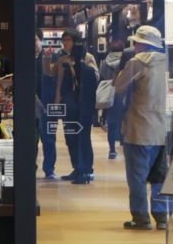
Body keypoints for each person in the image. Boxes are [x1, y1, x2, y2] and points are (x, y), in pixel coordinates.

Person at [113, 26, 170, 230]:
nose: (134, 45)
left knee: (137, 176)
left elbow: (118, 88)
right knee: (159, 176)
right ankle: (162, 217)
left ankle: (141, 217)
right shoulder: (167, 62)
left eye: (136, 42)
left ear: (142, 44)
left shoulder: (136, 62)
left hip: (138, 127)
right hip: (162, 129)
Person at [55, 30, 98, 184]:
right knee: (70, 137)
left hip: (83, 105)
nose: (65, 43)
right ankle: (77, 167)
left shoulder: (87, 58)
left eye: (68, 40)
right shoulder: (62, 58)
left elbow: (94, 79)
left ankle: (86, 169)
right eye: (63, 40)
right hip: (70, 105)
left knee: (83, 138)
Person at [35, 30, 60, 180]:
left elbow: (55, 79)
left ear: (41, 40)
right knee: (32, 139)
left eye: (35, 40)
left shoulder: (51, 57)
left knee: (49, 138)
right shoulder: (24, 57)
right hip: (30, 103)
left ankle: (49, 169)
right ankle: (31, 168)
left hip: (47, 103)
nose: (33, 44)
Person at [102, 37, 125, 160]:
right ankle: (124, 143)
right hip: (123, 93)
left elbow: (101, 75)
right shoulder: (126, 60)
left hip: (110, 93)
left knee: (111, 123)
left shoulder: (106, 61)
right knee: (125, 120)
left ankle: (112, 150)